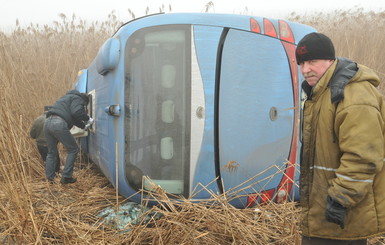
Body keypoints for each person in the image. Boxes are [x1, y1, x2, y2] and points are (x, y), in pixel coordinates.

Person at [296, 32, 385, 244]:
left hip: (344, 211)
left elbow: (363, 157)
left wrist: (340, 200)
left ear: (330, 60)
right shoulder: (319, 92)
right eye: (301, 63)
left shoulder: (353, 95)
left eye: (312, 61)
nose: (305, 69)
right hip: (323, 210)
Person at [44, 90, 93, 184]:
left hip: (47, 123)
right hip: (59, 124)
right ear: (85, 101)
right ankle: (66, 177)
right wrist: (88, 119)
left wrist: (84, 126)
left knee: (51, 153)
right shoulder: (78, 98)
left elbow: (72, 117)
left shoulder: (66, 98)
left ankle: (50, 179)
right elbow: (77, 112)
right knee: (73, 149)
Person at [29, 105, 60, 172]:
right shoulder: (54, 120)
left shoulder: (37, 119)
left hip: (40, 145)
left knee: (46, 160)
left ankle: (48, 175)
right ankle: (54, 176)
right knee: (55, 161)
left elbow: (32, 135)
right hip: (50, 144)